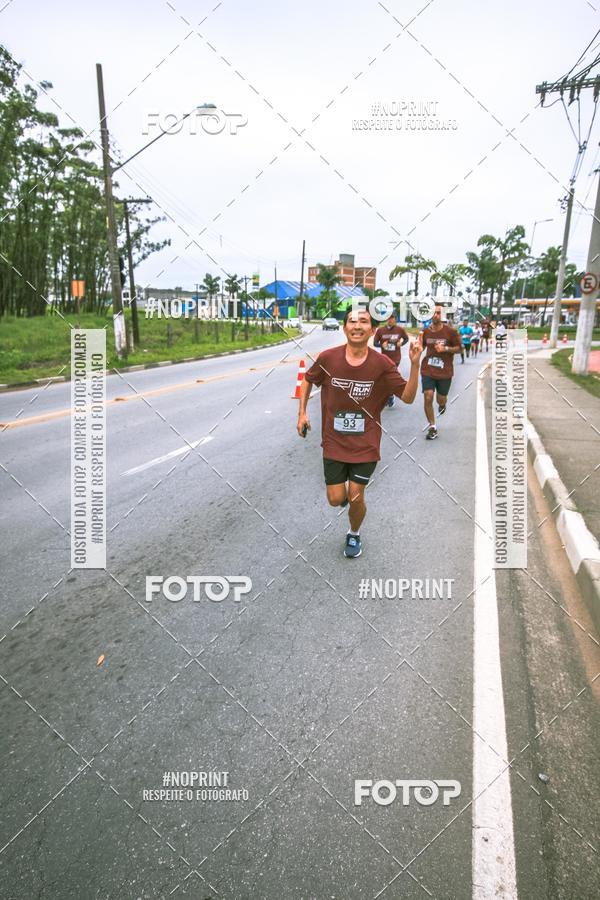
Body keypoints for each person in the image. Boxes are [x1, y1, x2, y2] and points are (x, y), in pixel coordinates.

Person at [297, 307, 422, 558]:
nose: (357, 325)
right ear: (345, 328)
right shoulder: (328, 358)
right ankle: (348, 499)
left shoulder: (382, 364)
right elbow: (308, 379)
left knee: (356, 495)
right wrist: (302, 413)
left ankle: (354, 533)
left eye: (363, 321)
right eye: (352, 321)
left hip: (366, 443)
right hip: (333, 442)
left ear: (372, 330)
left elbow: (408, 398)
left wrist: (416, 365)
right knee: (335, 499)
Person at [420, 304, 461, 441]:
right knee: (428, 396)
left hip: (445, 372)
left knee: (440, 399)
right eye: (433, 312)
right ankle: (432, 427)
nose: (436, 315)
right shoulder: (425, 332)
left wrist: (446, 349)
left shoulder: (451, 332)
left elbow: (460, 348)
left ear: (442, 315)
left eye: (438, 313)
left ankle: (442, 405)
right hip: (428, 369)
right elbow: (421, 346)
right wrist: (417, 348)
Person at [373, 312, 409, 407]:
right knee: (384, 378)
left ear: (395, 319)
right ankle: (389, 395)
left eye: (392, 318)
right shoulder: (380, 330)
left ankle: (390, 395)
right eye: (389, 318)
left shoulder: (400, 330)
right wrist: (382, 345)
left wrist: (401, 343)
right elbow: (375, 343)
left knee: (390, 377)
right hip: (384, 359)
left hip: (395, 358)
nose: (390, 320)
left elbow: (406, 339)